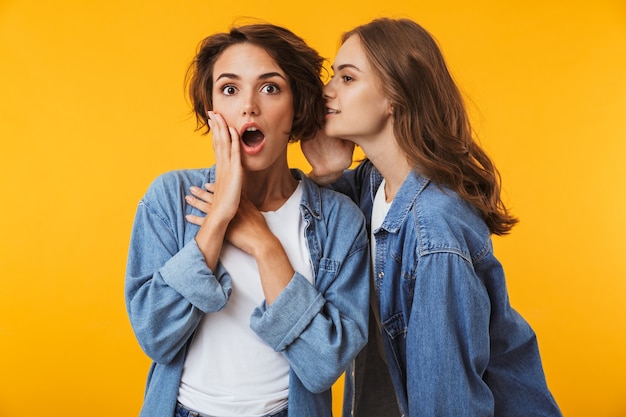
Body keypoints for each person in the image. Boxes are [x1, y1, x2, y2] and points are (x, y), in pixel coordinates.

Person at [301, 18, 563, 417]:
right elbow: (315, 227)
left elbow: (447, 402)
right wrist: (326, 174)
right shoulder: (373, 187)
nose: (327, 91)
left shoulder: (435, 228)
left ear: (395, 95)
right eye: (333, 76)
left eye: (348, 78)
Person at [125, 23, 370, 417]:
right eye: (229, 88)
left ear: (297, 107)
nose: (248, 107)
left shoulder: (340, 220)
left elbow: (324, 364)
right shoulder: (170, 198)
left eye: (270, 88)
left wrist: (266, 246)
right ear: (212, 108)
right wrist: (218, 218)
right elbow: (155, 335)